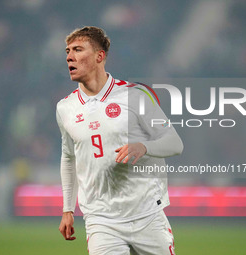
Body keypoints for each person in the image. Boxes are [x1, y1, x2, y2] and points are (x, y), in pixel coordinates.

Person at [56, 26, 183, 255]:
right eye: (67, 51)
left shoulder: (135, 96)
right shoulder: (65, 108)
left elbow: (174, 143)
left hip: (146, 214)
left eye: (77, 49)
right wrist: (67, 209)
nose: (69, 57)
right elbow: (68, 157)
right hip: (101, 220)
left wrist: (144, 147)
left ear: (99, 56)